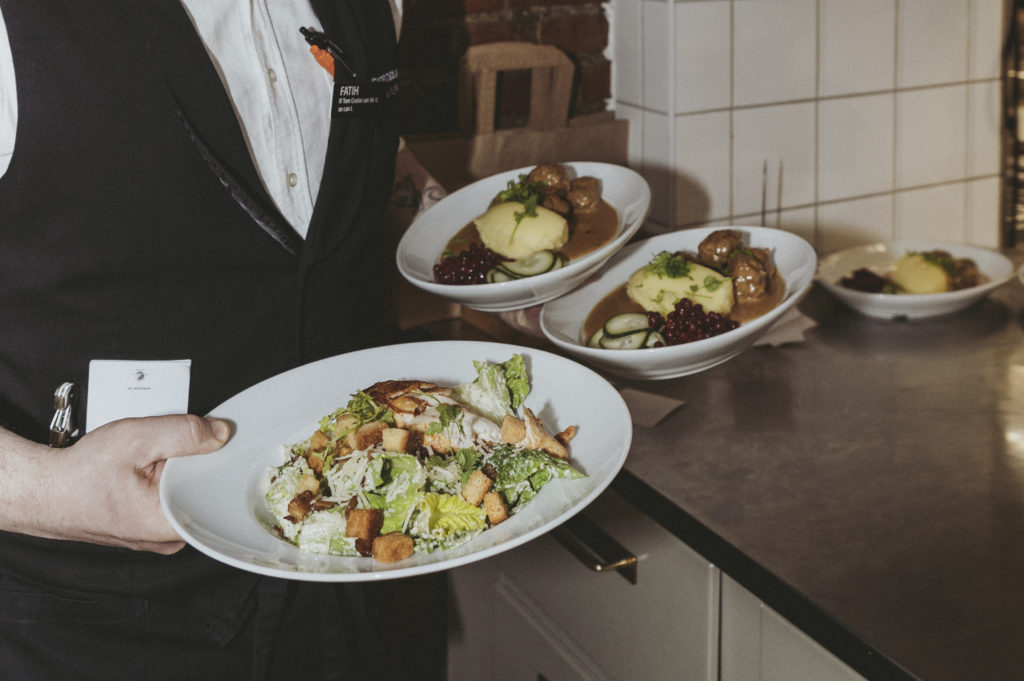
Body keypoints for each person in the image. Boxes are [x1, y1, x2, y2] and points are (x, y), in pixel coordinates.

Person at [0, 1, 435, 678]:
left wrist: (474, 246)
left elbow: (344, 155)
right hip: (91, 624)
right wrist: (48, 491)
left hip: (340, 584)